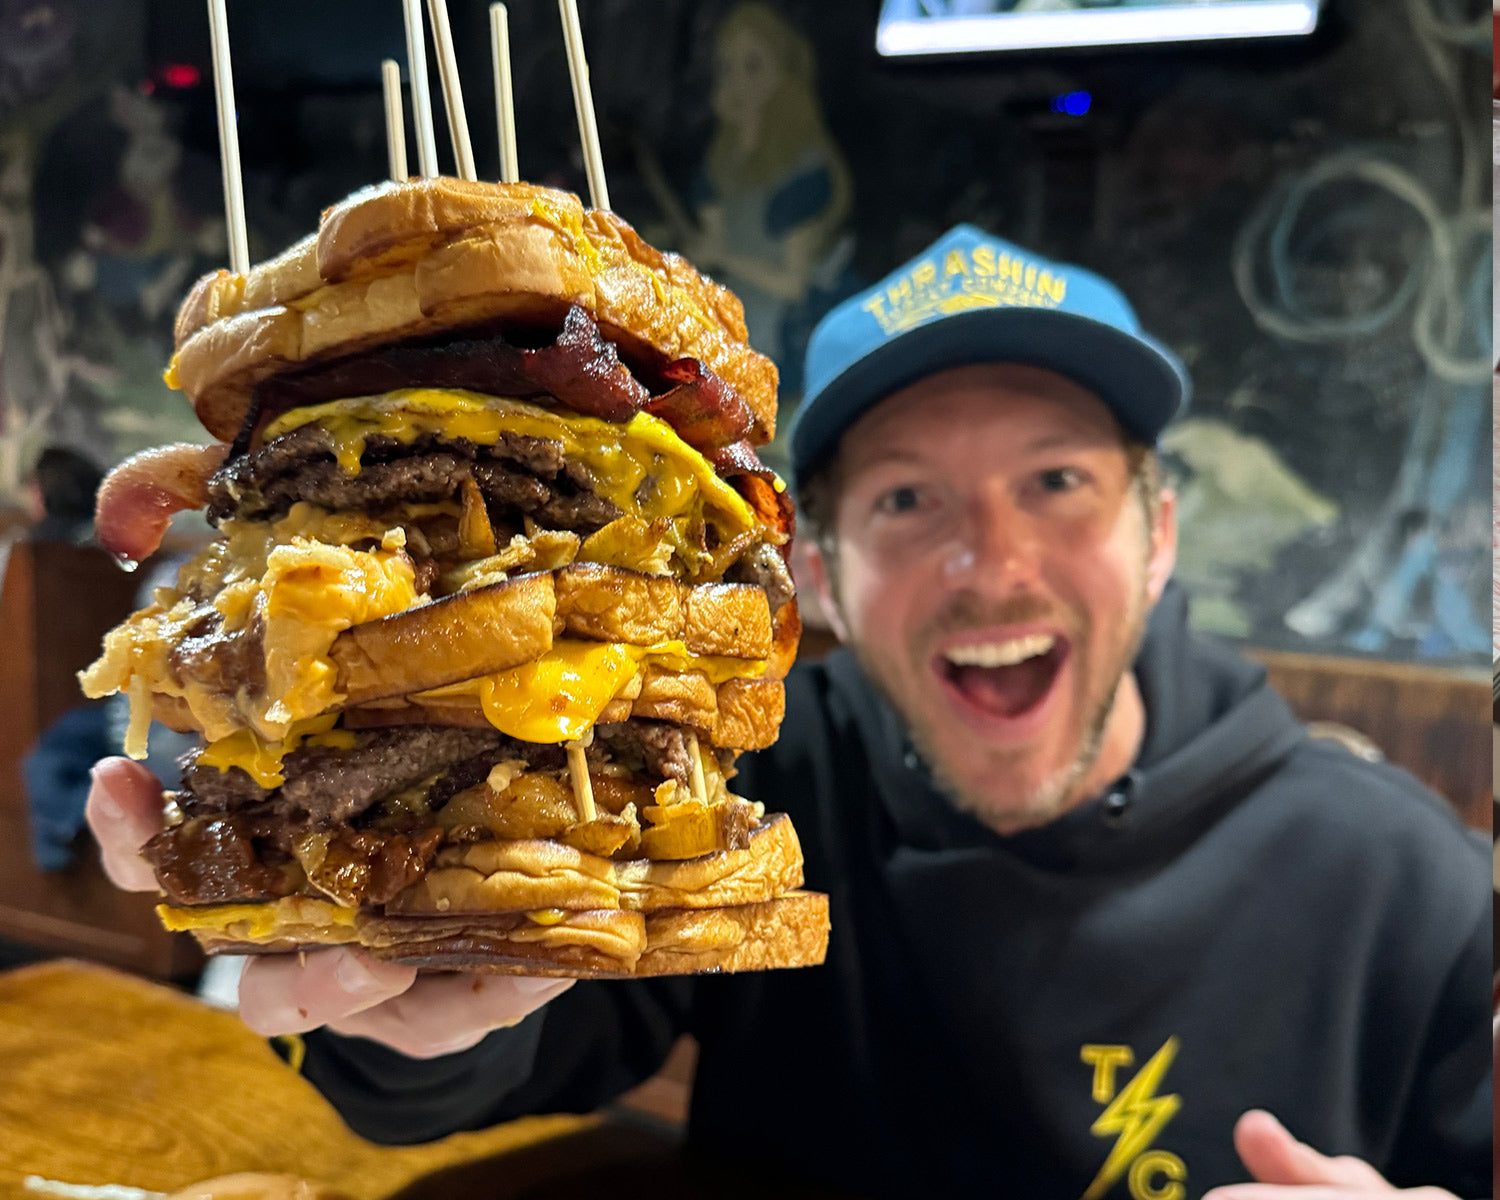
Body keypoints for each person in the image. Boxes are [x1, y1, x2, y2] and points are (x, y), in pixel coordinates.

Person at [86, 225, 1490, 1199]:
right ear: (812, 570)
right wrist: (390, 999)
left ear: (1161, 533)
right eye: (905, 500)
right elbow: (498, 1057)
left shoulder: (1409, 887)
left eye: (1058, 482)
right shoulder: (732, 784)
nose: (991, 560)